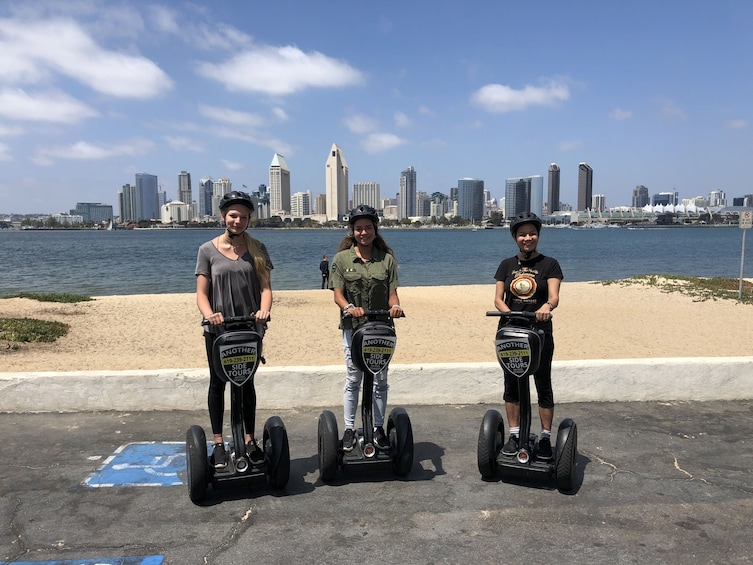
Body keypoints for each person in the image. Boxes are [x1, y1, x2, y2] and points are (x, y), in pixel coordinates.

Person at [195, 191, 273, 469]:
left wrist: (264, 312)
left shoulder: (258, 249)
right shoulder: (207, 250)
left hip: (250, 328)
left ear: (250, 219)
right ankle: (218, 443)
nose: (237, 220)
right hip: (218, 330)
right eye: (233, 215)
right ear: (223, 217)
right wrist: (209, 315)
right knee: (218, 383)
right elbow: (202, 294)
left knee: (247, 383)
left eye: (243, 216)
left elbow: (265, 288)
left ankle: (249, 440)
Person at [329, 204, 403, 451]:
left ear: (375, 230)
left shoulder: (387, 260)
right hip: (353, 328)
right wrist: (349, 307)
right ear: (352, 231)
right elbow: (338, 295)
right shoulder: (341, 259)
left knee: (380, 379)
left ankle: (378, 428)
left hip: (381, 329)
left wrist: (396, 307)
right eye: (359, 228)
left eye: (368, 228)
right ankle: (349, 429)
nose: (364, 233)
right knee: (353, 379)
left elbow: (393, 295)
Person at [493, 212, 563, 461]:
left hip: (540, 331)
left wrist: (546, 307)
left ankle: (544, 437)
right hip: (511, 330)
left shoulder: (549, 264)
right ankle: (514, 435)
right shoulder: (506, 265)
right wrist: (509, 313)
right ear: (515, 237)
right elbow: (498, 299)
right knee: (511, 383)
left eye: (532, 233)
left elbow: (553, 296)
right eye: (522, 234)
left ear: (538, 235)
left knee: (543, 382)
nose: (527, 238)